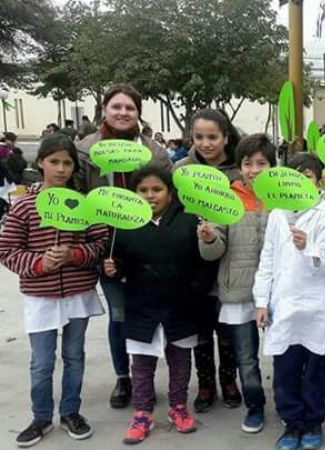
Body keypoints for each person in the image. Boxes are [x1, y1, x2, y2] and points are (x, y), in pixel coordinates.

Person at [0, 134, 110, 447]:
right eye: (54, 162)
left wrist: (75, 254)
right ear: (40, 163)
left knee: (74, 356)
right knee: (42, 361)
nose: (61, 169)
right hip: (40, 295)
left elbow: (100, 244)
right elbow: (7, 250)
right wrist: (39, 262)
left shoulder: (84, 205)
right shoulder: (25, 206)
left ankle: (70, 412)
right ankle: (41, 416)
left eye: (67, 163)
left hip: (78, 293)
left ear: (74, 167)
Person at [102, 165, 216, 444]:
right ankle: (142, 412)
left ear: (170, 193)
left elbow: (205, 263)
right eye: (143, 190)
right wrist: (112, 268)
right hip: (142, 304)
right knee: (141, 363)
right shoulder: (123, 224)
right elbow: (117, 264)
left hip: (181, 304)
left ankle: (178, 407)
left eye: (157, 189)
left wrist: (195, 291)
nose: (150, 195)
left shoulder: (189, 221)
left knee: (180, 360)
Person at [75, 83, 172, 410]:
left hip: (148, 244)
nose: (122, 113)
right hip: (109, 245)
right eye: (116, 106)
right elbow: (76, 195)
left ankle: (144, 376)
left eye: (130, 108)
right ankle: (123, 377)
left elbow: (167, 196)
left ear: (138, 113)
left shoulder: (155, 152)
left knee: (147, 312)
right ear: (104, 109)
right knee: (118, 314)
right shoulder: (85, 150)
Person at [253, 153, 325, 450]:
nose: (302, 182)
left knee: (316, 370)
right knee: (285, 370)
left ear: (319, 182)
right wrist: (261, 301)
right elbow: (267, 258)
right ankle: (291, 422)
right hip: (285, 304)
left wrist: (307, 246)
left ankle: (313, 421)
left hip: (318, 307)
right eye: (296, 176)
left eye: (308, 177)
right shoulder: (277, 213)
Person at [197, 134, 275, 434]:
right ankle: (254, 405)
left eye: (261, 163)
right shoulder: (227, 197)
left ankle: (287, 405)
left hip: (277, 292)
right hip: (239, 292)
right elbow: (213, 251)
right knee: (246, 357)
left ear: (272, 165)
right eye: (247, 163)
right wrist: (209, 239)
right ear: (239, 166)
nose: (254, 170)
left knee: (283, 354)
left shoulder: (284, 197)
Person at [174, 108, 242, 412]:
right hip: (193, 263)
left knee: (227, 331)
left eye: (212, 137)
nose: (206, 143)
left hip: (230, 260)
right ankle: (205, 384)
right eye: (199, 137)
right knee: (200, 332)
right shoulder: (181, 170)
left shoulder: (239, 171)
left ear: (225, 138)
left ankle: (229, 381)